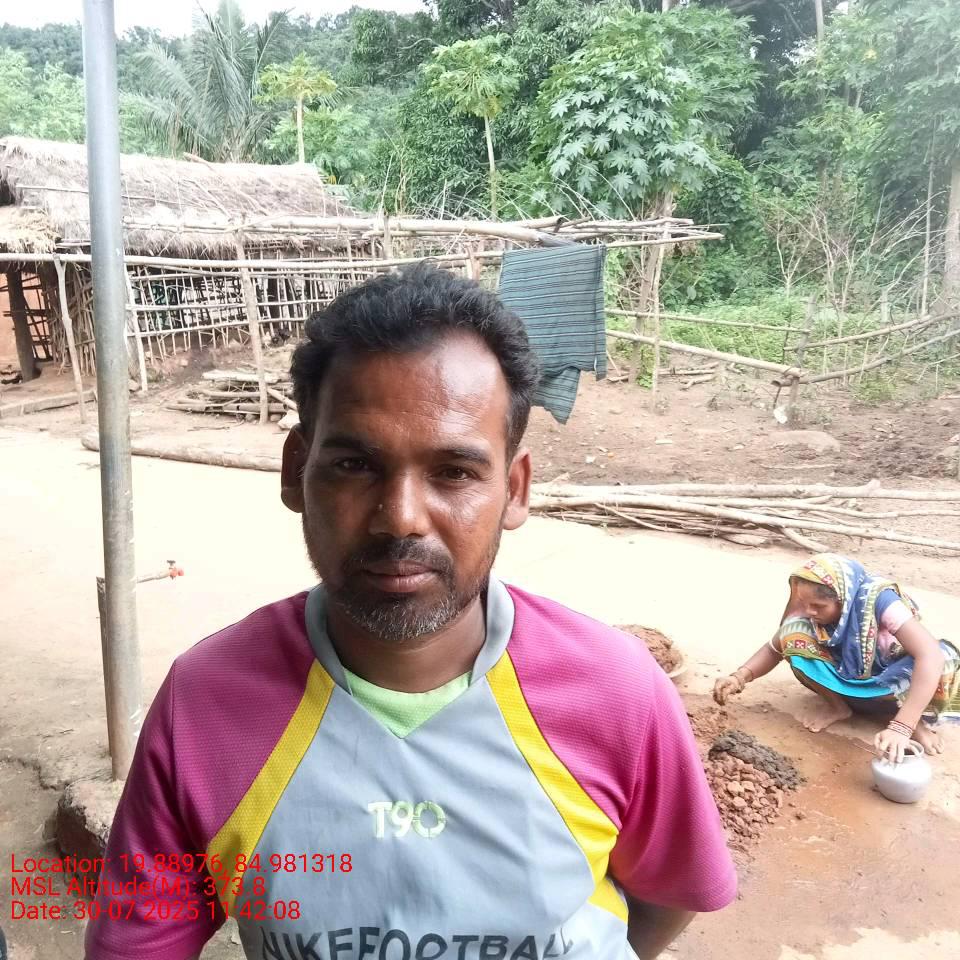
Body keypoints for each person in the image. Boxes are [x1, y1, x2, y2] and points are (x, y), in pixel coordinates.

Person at [85, 265, 735, 960]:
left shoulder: (617, 691)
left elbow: (671, 894)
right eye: (355, 465)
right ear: (296, 472)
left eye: (454, 472)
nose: (400, 518)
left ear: (515, 491)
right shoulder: (205, 706)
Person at [714, 553, 959, 763]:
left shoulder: (880, 601)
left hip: (891, 681)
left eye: (818, 606)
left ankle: (912, 720)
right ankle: (838, 706)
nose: (809, 611)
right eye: (804, 603)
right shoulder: (812, 611)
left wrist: (902, 727)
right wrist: (739, 677)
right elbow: (773, 648)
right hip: (848, 677)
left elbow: (930, 655)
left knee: (944, 657)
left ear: (844, 598)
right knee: (792, 633)